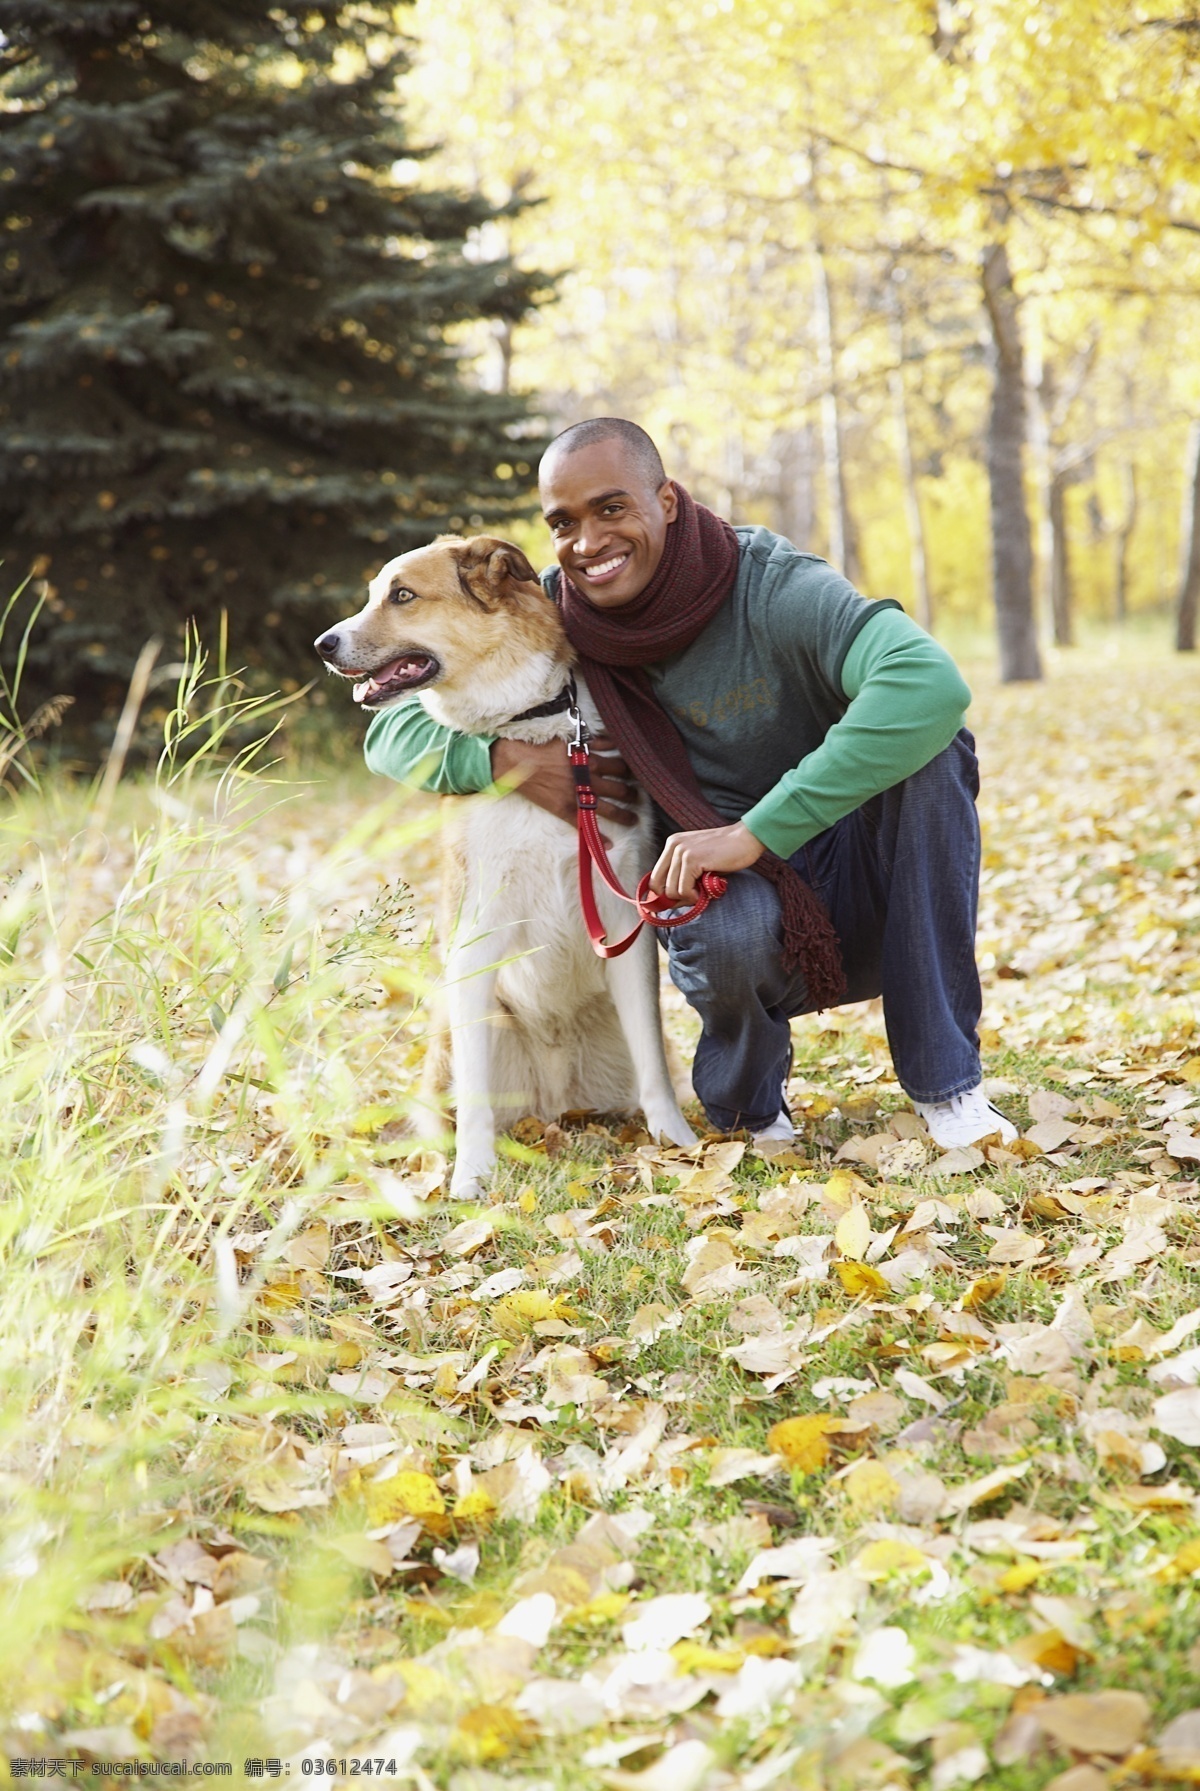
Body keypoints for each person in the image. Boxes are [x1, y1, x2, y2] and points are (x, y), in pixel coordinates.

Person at [364, 418, 1016, 1151]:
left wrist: (755, 832)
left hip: (864, 883)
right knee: (713, 916)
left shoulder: (771, 585)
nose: (588, 543)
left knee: (931, 751)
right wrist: (504, 762)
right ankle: (750, 1106)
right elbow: (388, 732)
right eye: (563, 523)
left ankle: (947, 1085)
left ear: (667, 500)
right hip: (730, 909)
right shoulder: (553, 614)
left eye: (612, 508)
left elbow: (927, 684)